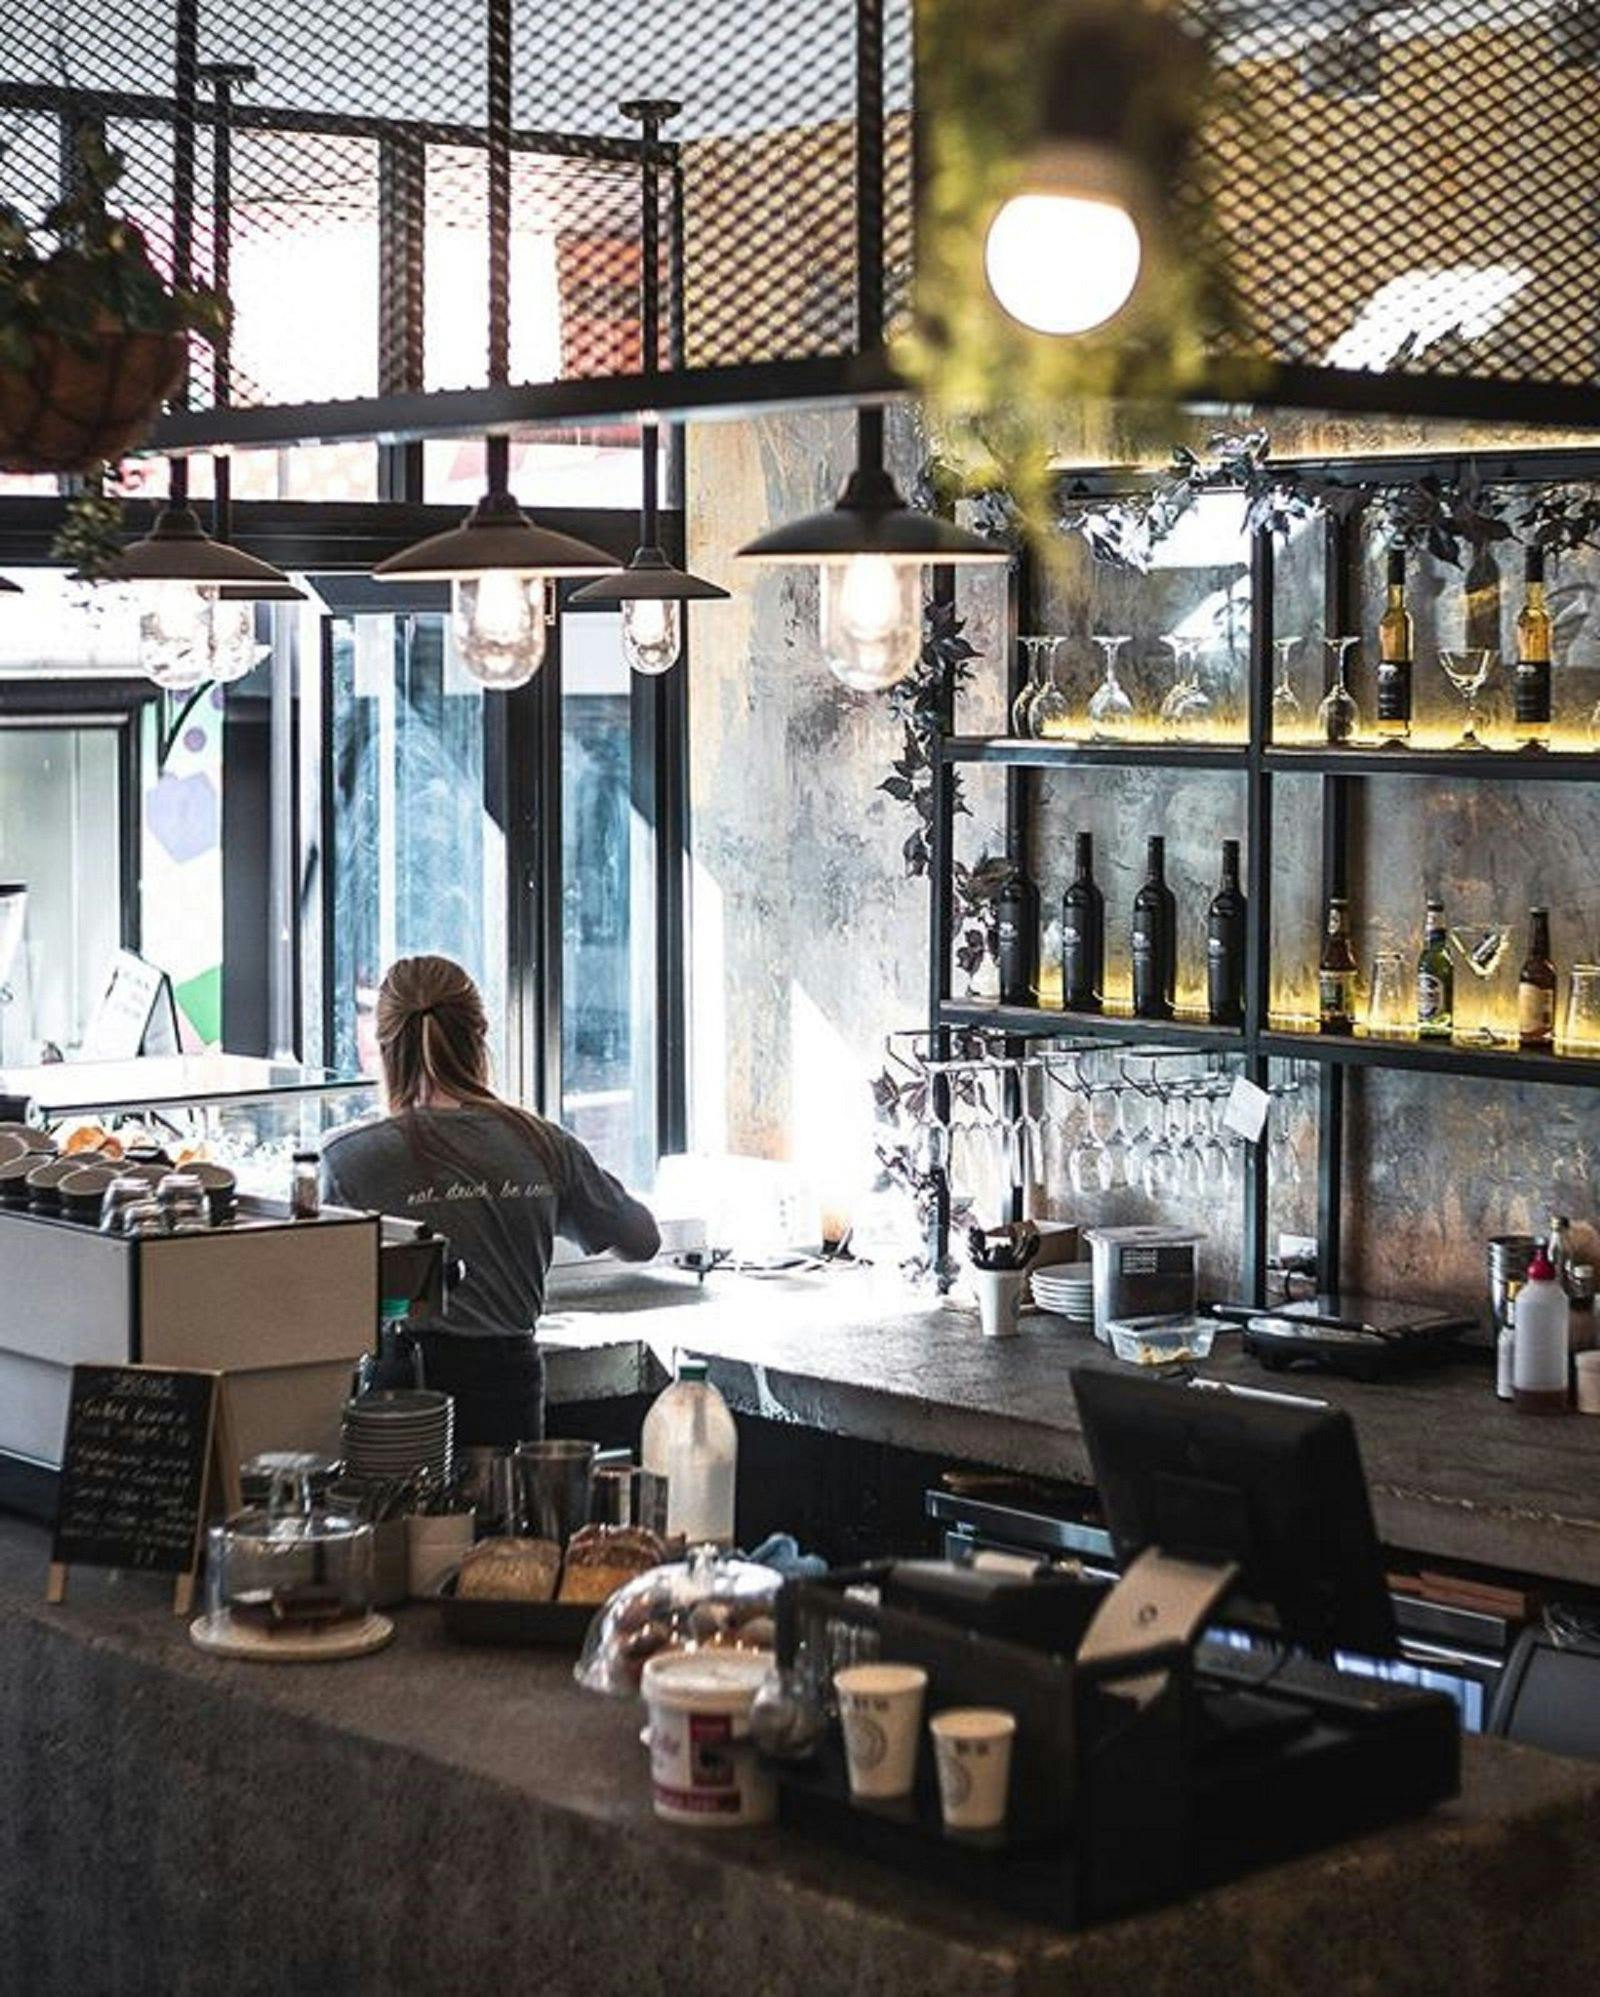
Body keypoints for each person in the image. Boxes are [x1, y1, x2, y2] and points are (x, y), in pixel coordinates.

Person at [321, 954, 660, 1446]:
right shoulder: (544, 1143)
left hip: (402, 1401)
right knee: (509, 1518)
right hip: (512, 1390)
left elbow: (318, 1297)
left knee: (411, 1522)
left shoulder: (349, 1159)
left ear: (384, 1048)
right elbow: (643, 1240)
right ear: (479, 1037)